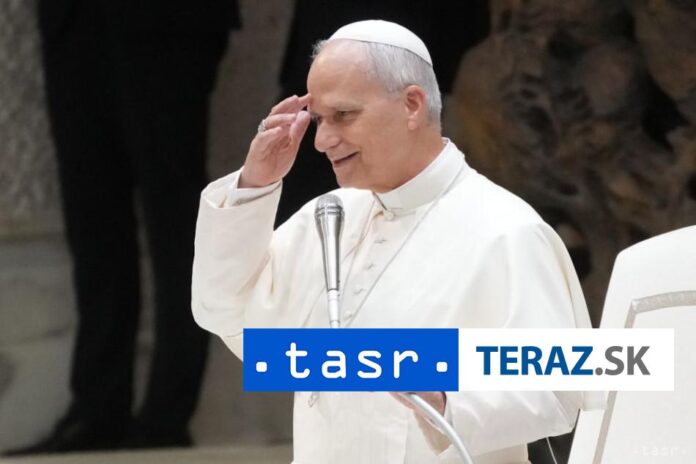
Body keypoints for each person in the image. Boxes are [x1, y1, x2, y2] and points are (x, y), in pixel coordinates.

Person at [192, 20, 591, 464]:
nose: (321, 141)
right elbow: (227, 313)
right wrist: (254, 186)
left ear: (412, 105)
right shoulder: (328, 216)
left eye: (344, 115)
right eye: (318, 120)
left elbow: (558, 390)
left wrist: (448, 401)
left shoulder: (507, 230)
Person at [3, 0, 239, 455]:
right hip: (74, 21)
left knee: (175, 221)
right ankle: (96, 409)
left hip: (166, 25)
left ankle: (167, 414)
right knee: (91, 221)